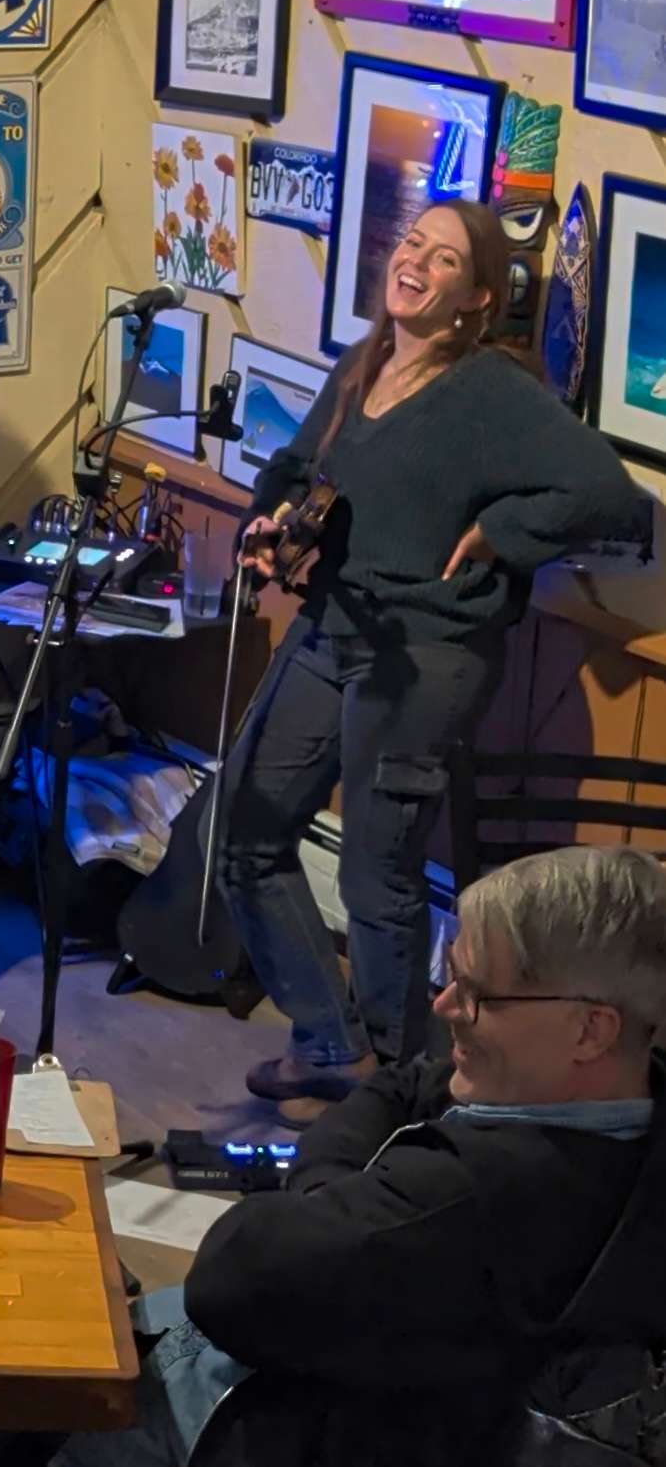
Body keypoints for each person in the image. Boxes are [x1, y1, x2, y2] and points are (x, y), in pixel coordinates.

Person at [222, 200, 651, 1123]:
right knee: (246, 832)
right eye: (412, 241)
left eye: (443, 257)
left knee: (379, 874)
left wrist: (501, 531)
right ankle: (329, 1042)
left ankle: (400, 1085)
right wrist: (269, 521)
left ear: (475, 298)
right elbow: (296, 469)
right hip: (333, 626)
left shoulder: (490, 393)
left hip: (424, 653)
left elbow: (611, 494)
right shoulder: (367, 360)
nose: (414, 259)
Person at [59, 845, 666, 1467]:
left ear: (591, 1030)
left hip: (243, 1422)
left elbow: (228, 1276)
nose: (445, 1005)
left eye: (479, 994)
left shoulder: (458, 1198)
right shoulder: (632, 1109)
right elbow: (402, 1084)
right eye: (451, 975)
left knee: (23, 1396)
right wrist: (338, 1211)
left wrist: (327, 1204)